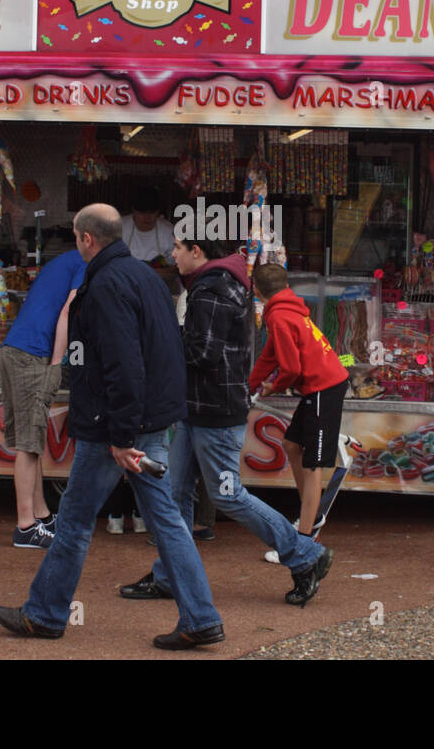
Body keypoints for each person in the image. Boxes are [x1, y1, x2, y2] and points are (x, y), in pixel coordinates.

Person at [0, 204, 224, 650]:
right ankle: (200, 616)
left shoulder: (103, 286)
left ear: (86, 239)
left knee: (77, 520)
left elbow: (122, 365)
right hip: (147, 419)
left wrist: (121, 436)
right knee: (167, 522)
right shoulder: (146, 278)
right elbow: (162, 352)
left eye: (76, 237)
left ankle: (44, 614)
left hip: (114, 426)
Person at [121, 237, 333, 607]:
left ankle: (304, 554)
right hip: (198, 408)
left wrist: (157, 341)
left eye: (178, 247)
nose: (172, 255)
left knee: (226, 494)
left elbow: (202, 351)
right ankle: (169, 575)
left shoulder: (211, 290)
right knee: (175, 491)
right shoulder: (222, 283)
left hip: (214, 411)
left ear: (197, 251)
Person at [249, 263, 350, 538]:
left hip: (324, 387)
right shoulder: (284, 310)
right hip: (321, 385)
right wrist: (249, 385)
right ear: (285, 286)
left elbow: (290, 368)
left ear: (256, 290)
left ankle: (306, 533)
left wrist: (273, 387)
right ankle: (310, 511)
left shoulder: (279, 317)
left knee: (313, 461)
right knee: (292, 445)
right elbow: (270, 355)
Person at [0, 249, 86, 549]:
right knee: (29, 443)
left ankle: (42, 515)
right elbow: (68, 311)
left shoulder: (66, 260)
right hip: (33, 355)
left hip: (15, 349)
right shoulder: (85, 264)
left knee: (31, 440)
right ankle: (25, 526)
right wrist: (56, 364)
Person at [120, 185, 176, 263]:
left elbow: (176, 266)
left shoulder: (168, 231)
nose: (147, 217)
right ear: (133, 210)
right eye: (142, 212)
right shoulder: (119, 228)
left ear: (158, 212)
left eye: (152, 212)